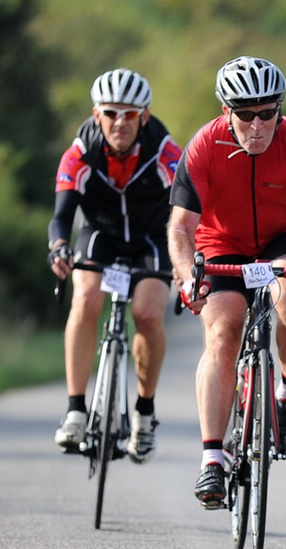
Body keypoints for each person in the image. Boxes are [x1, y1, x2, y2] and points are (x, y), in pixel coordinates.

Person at [168, 56, 286, 507]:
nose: (258, 125)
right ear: (226, 111)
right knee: (223, 331)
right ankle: (212, 459)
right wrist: (188, 276)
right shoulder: (204, 146)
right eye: (246, 114)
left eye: (268, 113)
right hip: (220, 241)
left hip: (280, 238)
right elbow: (180, 229)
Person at [48, 68, 182, 463]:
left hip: (153, 239)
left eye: (130, 114)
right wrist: (57, 246)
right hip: (100, 234)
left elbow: (186, 213)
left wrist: (186, 258)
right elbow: (61, 216)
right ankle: (75, 409)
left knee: (146, 314)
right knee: (86, 299)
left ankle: (144, 412)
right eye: (110, 113)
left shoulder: (167, 154)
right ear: (96, 114)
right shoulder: (79, 153)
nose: (119, 122)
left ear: (144, 115)